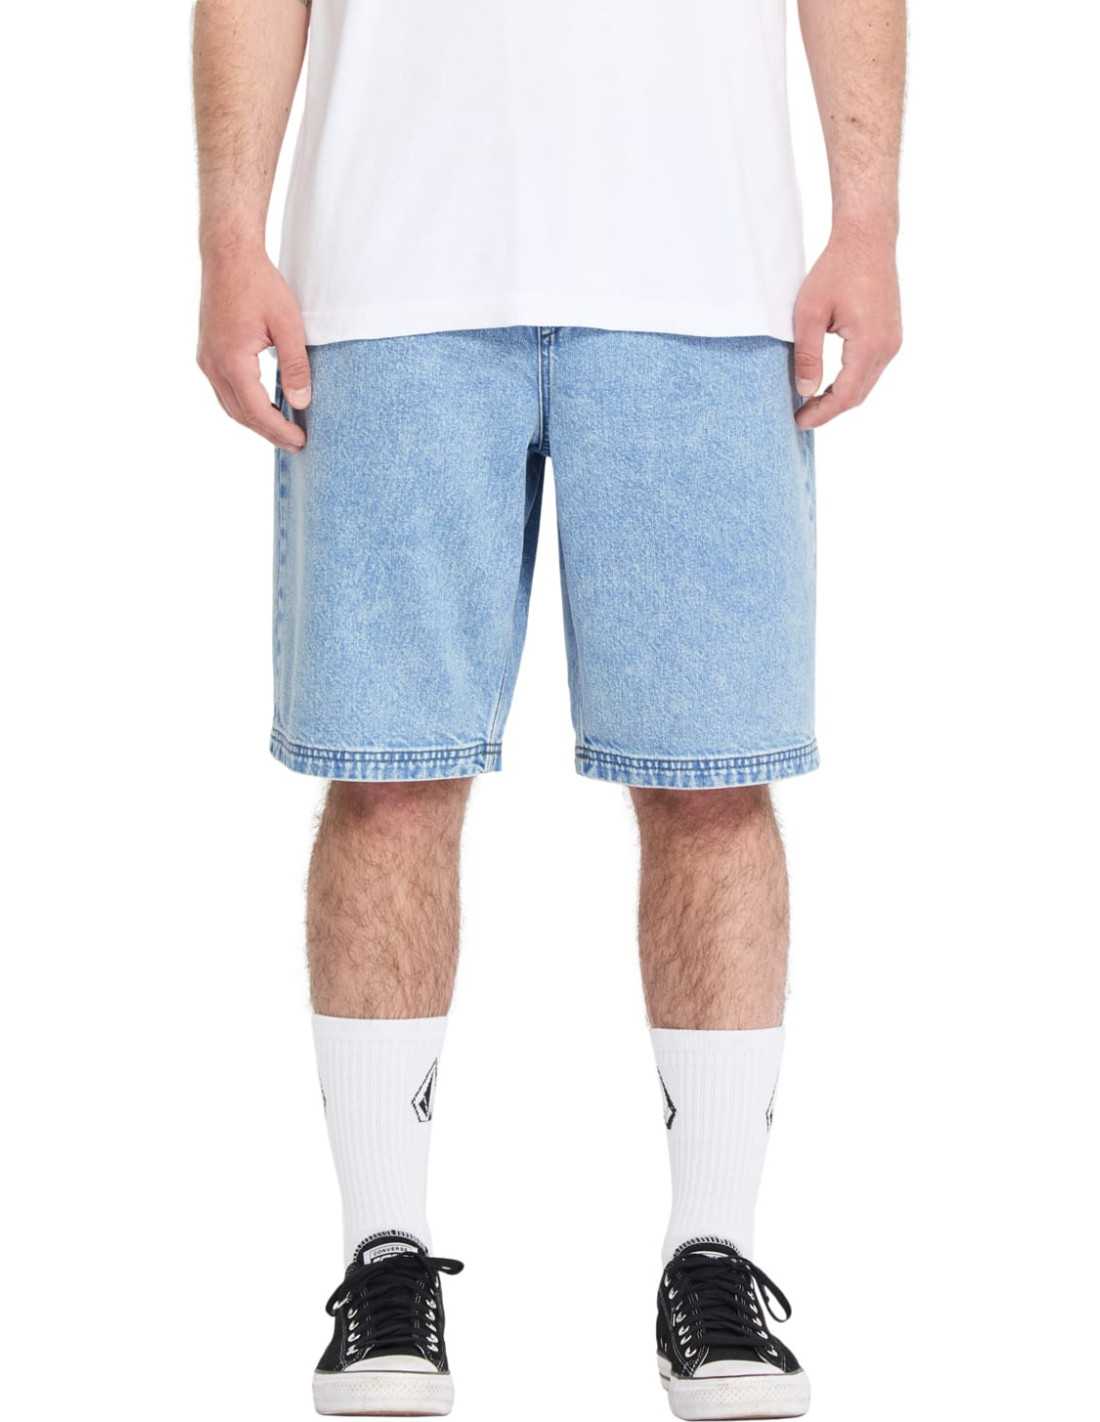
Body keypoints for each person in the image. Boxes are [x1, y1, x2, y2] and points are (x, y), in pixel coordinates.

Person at [193, 1, 904, 1416]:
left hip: (707, 276)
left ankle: (715, 1256)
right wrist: (228, 237)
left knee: (714, 778)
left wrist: (869, 223)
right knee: (385, 773)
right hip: (388, 272)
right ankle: (383, 1260)